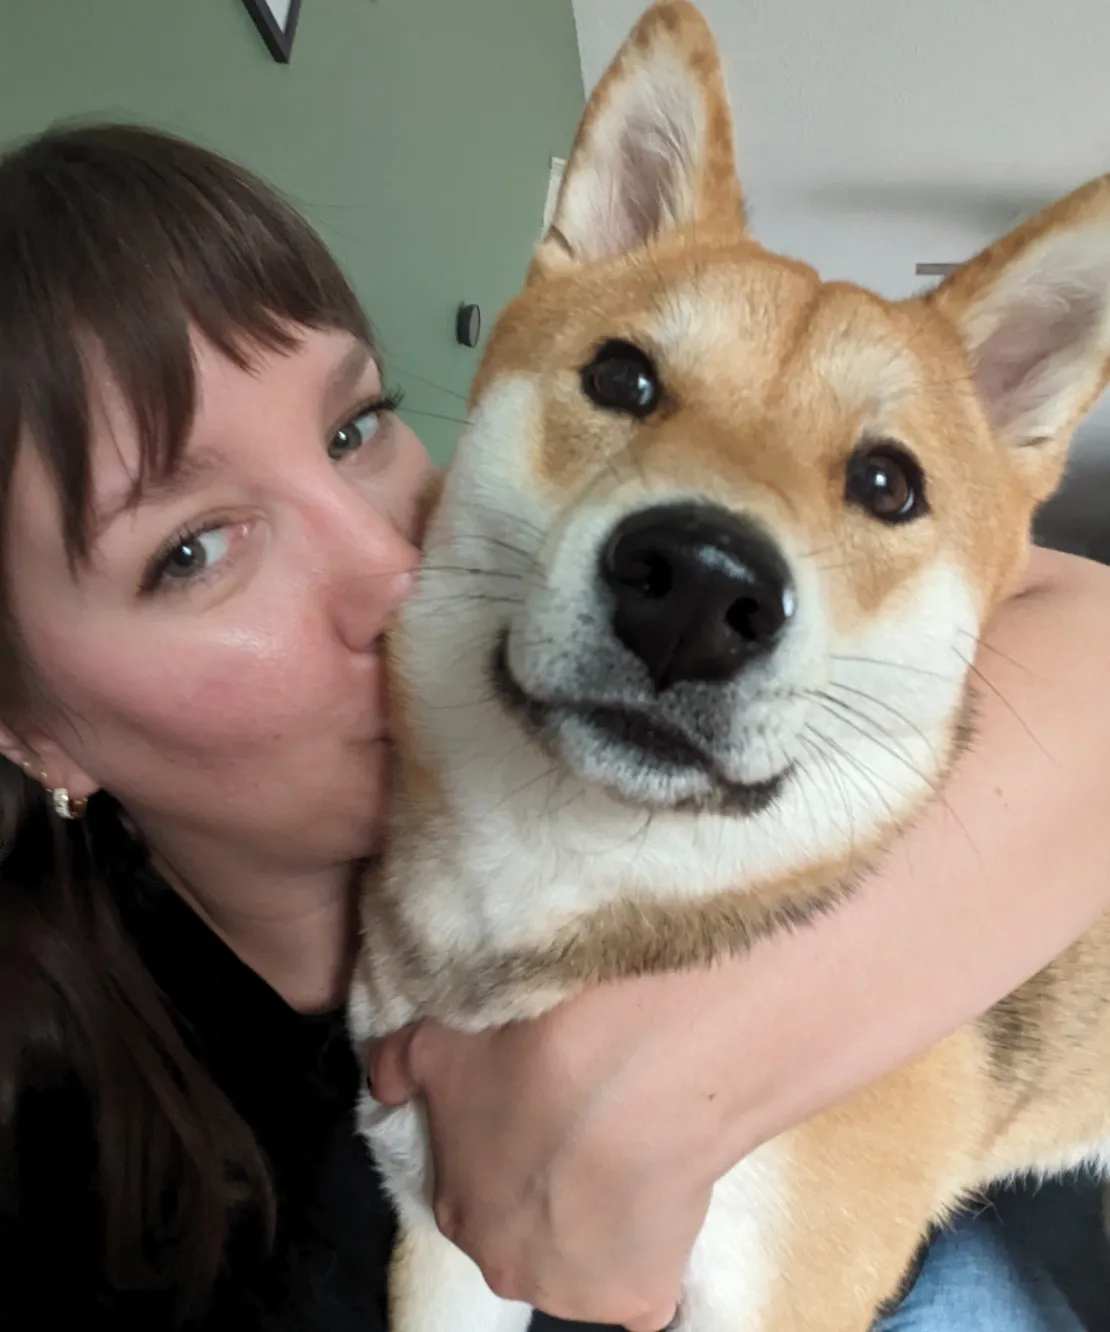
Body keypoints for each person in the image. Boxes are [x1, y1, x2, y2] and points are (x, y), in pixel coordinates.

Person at [0, 122, 1108, 1332]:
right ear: (31, 729)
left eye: (355, 428)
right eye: (190, 552)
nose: (396, 564)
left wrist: (693, 1059)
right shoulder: (130, 1224)